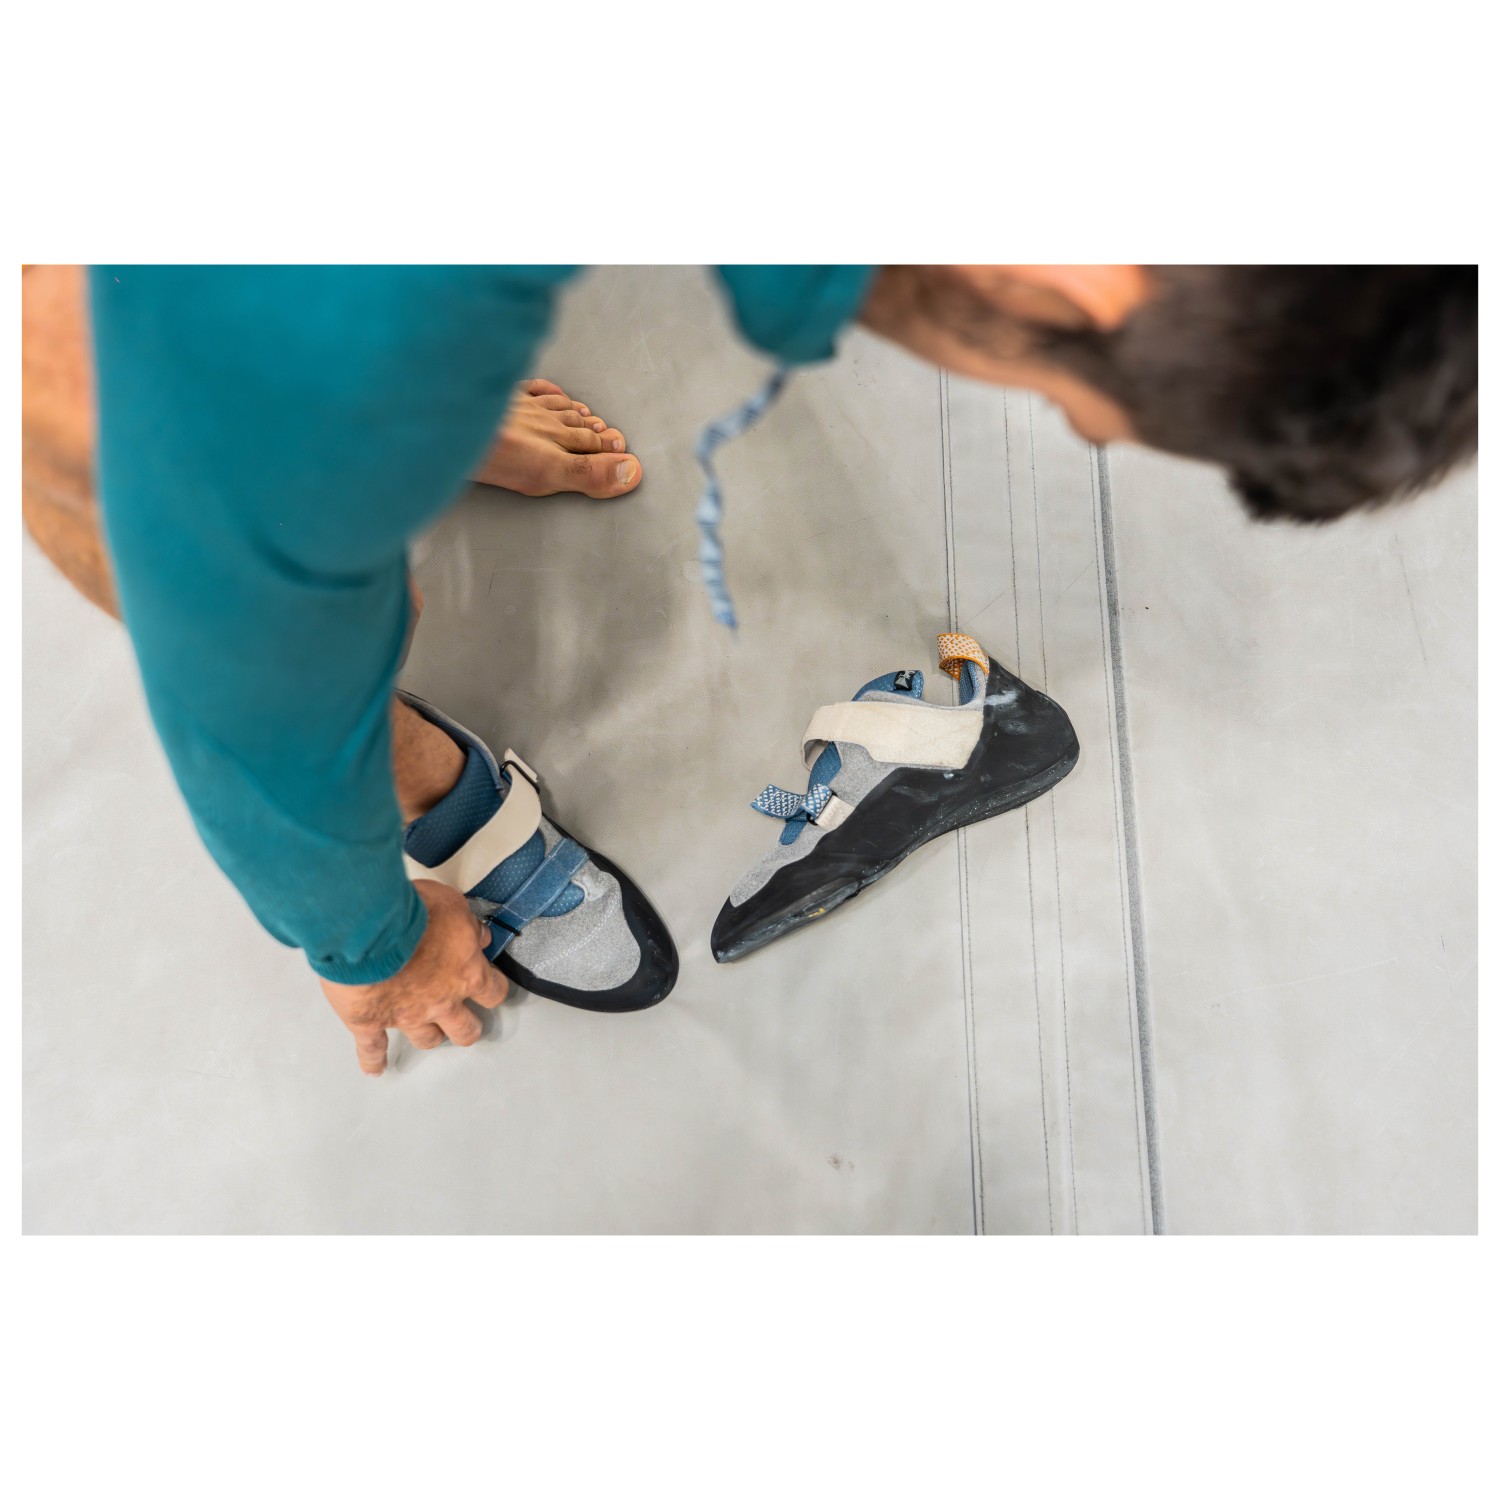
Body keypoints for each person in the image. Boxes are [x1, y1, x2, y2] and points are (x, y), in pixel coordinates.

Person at [21, 264, 1477, 1074]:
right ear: (1069, 278)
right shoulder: (296, 362)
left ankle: (400, 400)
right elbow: (251, 705)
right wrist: (369, 944)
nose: (1045, 411)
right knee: (114, 447)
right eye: (1067, 404)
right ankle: (413, 747)